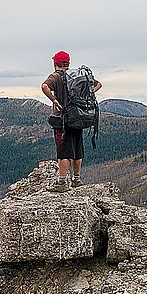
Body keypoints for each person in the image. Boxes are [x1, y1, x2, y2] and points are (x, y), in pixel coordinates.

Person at [41, 50, 102, 192]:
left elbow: (44, 87)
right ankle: (76, 179)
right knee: (77, 150)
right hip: (79, 116)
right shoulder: (76, 76)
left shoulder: (56, 76)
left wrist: (55, 100)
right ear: (68, 63)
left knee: (64, 151)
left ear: (55, 63)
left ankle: (61, 182)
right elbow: (98, 84)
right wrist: (87, 97)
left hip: (63, 119)